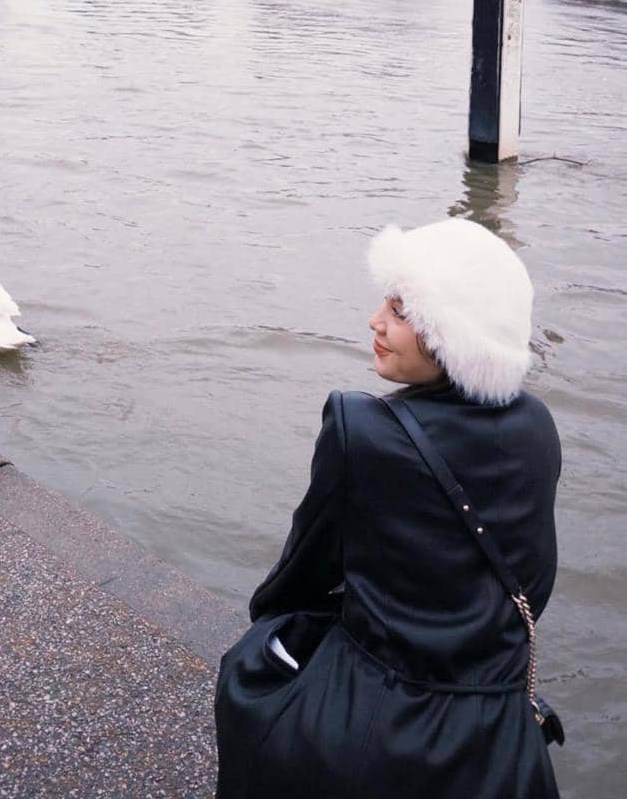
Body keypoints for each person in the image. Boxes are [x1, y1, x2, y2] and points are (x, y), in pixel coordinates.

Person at [215, 218, 562, 798]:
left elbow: (302, 573)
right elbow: (535, 581)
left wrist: (272, 631)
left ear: (449, 332)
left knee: (250, 678)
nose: (376, 320)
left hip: (376, 718)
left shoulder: (364, 431)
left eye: (401, 311)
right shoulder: (538, 429)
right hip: (495, 727)